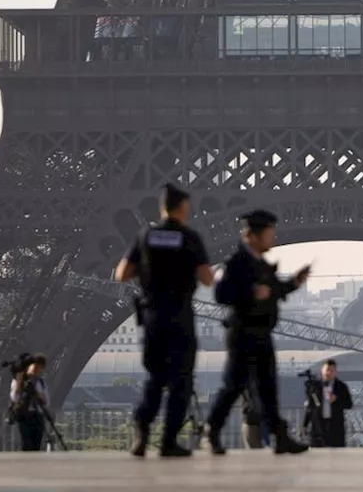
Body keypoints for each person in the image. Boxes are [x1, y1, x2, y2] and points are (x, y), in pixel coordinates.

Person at [115, 183, 215, 457]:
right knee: (181, 381)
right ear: (182, 208)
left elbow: (122, 273)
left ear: (162, 208)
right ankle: (169, 440)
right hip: (179, 315)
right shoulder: (190, 237)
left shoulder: (145, 235)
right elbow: (207, 277)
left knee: (155, 378)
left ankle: (141, 428)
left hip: (152, 315)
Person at [205, 209, 310, 455]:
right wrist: (251, 293)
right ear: (253, 235)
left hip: (261, 333)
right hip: (243, 334)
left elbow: (273, 292)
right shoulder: (238, 262)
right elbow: (221, 294)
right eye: (269, 233)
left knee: (267, 387)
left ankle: (279, 436)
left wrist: (294, 283)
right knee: (234, 386)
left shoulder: (259, 264)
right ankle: (212, 429)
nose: (273, 238)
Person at [306, 360, 353, 448]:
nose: (328, 373)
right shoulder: (314, 387)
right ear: (322, 370)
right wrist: (305, 424)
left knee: (337, 456)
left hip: (336, 427)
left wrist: (337, 400)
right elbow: (310, 407)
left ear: (335, 372)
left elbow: (349, 404)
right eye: (327, 370)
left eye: (331, 370)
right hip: (318, 428)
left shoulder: (341, 387)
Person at [9, 355, 50, 452]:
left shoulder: (39, 382)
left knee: (36, 444)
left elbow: (46, 401)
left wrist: (36, 393)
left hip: (37, 415)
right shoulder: (18, 381)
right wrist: (19, 382)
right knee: (27, 444)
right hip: (24, 415)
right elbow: (15, 398)